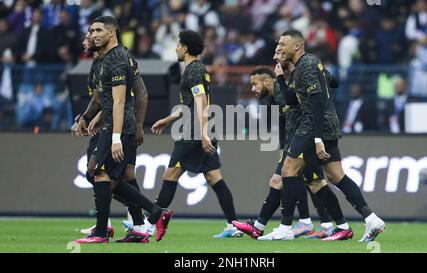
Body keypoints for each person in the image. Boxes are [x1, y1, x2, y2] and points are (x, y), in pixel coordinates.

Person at [277, 30, 385, 241]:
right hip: (328, 124)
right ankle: (372, 219)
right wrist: (285, 76)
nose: (280, 47)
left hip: (313, 126)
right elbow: (333, 82)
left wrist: (317, 139)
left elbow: (316, 102)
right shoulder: (310, 65)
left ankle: (286, 227)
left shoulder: (306, 66)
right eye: (278, 44)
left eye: (284, 44)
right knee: (336, 176)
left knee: (288, 170)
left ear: (297, 46)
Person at [74, 16, 172, 244]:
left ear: (112, 33)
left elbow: (121, 101)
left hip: (116, 125)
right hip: (111, 123)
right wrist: (87, 116)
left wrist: (121, 134)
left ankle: (103, 230)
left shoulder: (117, 59)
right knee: (113, 177)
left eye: (97, 30)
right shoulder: (104, 60)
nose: (92, 35)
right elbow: (101, 97)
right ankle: (147, 219)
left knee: (99, 173)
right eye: (90, 31)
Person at [151, 30, 242, 238]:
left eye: (177, 45)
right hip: (201, 128)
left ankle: (148, 223)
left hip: (194, 131)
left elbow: (201, 104)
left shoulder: (194, 70)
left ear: (184, 48)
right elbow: (189, 106)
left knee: (170, 174)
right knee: (214, 177)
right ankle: (234, 225)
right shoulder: (195, 69)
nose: (175, 48)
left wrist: (202, 135)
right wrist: (167, 120)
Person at [232, 65, 338, 240]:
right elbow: (283, 126)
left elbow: (307, 113)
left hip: (306, 140)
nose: (252, 89)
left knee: (310, 182)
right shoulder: (270, 100)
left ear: (267, 81)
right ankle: (316, 223)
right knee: (309, 182)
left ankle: (318, 223)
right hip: (295, 143)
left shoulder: (286, 93)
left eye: (255, 84)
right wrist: (284, 149)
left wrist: (313, 139)